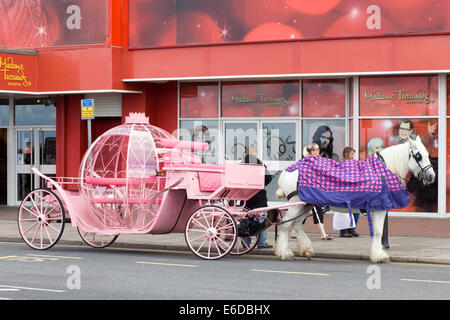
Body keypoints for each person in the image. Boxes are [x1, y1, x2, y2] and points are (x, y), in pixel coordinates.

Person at [291, 142, 334, 240]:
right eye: (317, 150)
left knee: (304, 210)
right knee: (316, 209)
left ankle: (294, 232)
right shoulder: (310, 161)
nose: (319, 151)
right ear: (313, 151)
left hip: (310, 190)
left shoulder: (309, 160)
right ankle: (323, 234)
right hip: (308, 190)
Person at [242, 145, 274, 249]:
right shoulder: (260, 165)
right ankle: (261, 242)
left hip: (245, 195)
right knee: (262, 219)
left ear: (246, 153)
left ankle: (245, 243)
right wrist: (261, 184)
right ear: (255, 153)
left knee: (247, 219)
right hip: (259, 195)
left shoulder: (241, 164)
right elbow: (268, 178)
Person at [339, 147, 361, 238]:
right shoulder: (341, 165)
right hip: (344, 191)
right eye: (352, 154)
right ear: (346, 155)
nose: (353, 157)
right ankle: (343, 231)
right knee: (345, 212)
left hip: (354, 190)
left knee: (356, 211)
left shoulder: (355, 164)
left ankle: (351, 229)